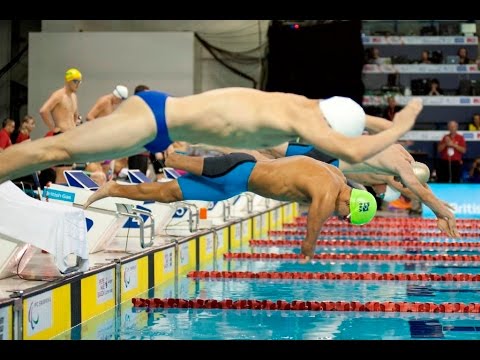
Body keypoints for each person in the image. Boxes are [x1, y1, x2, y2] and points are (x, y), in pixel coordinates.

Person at [0, 87, 422, 184]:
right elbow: (354, 146)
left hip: (158, 127)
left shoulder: (306, 105)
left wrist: (392, 125)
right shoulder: (308, 122)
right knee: (55, 149)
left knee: (53, 154)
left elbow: (359, 126)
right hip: (156, 118)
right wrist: (403, 123)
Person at [84, 152, 378, 262]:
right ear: (349, 206)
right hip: (237, 171)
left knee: (167, 193)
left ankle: (113, 189)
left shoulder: (338, 178)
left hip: (234, 183)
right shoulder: (329, 191)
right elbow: (314, 223)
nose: (342, 220)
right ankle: (156, 147)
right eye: (347, 219)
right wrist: (307, 253)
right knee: (170, 160)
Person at [193, 141, 460, 238]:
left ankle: (214, 143)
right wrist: (442, 211)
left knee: (265, 155)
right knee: (261, 161)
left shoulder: (395, 155)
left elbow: (413, 188)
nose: (378, 192)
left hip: (325, 154)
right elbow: (417, 190)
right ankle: (212, 144)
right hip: (322, 158)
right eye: (380, 193)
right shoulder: (395, 170)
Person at [39, 68, 82, 133]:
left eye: (79, 82)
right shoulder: (59, 95)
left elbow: (75, 114)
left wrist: (74, 125)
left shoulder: (74, 96)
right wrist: (52, 128)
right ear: (68, 81)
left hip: (72, 134)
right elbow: (43, 111)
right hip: (62, 134)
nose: (78, 84)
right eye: (75, 81)